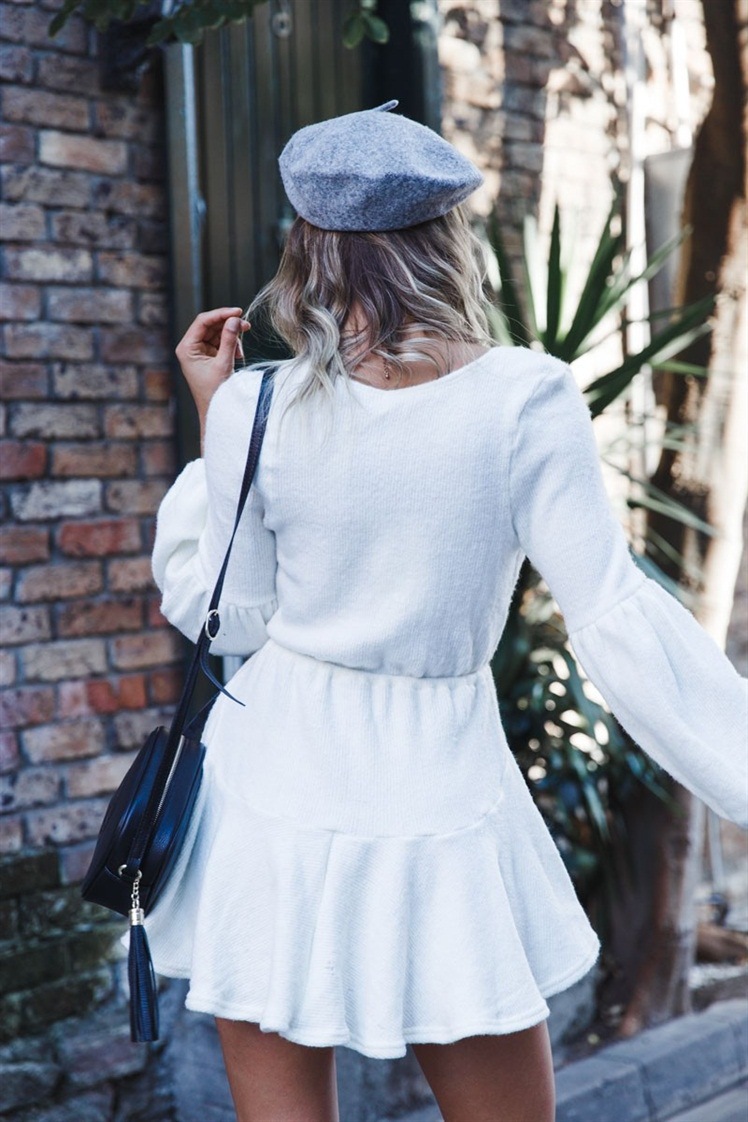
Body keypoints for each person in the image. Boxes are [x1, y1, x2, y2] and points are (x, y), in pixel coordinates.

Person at [141, 102, 748, 1122]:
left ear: (307, 250)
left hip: (274, 775)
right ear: (446, 240)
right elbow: (612, 615)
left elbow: (226, 621)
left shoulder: (256, 402)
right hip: (435, 783)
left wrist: (217, 418)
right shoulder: (524, 398)